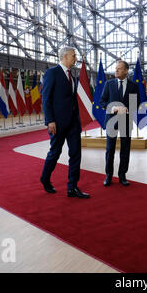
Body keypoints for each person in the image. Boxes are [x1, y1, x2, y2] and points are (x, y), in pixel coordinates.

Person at [40, 46, 90, 199]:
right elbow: (46, 99)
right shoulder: (52, 73)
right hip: (58, 123)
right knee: (55, 152)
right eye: (74, 56)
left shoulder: (73, 76)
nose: (76, 58)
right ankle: (45, 178)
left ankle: (72, 187)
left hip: (73, 123)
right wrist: (50, 120)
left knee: (76, 154)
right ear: (66, 56)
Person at [100, 60, 140, 187]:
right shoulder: (109, 84)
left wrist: (127, 109)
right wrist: (114, 109)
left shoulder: (133, 86)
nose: (116, 70)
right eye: (115, 68)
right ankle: (108, 176)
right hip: (111, 120)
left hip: (125, 121)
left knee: (125, 149)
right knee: (109, 149)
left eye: (119, 68)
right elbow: (102, 101)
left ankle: (122, 175)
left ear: (126, 71)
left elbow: (135, 103)